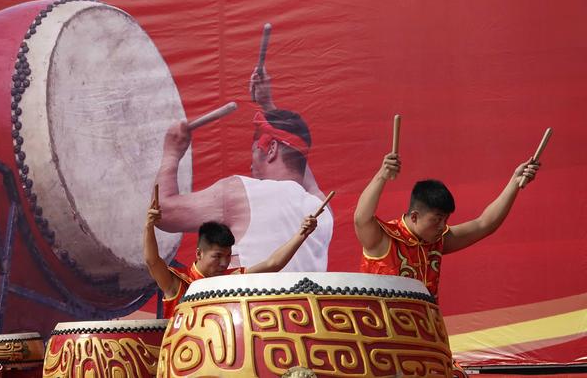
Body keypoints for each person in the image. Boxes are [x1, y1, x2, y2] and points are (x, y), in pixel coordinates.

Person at [154, 67, 333, 271]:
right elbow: (298, 156)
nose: (250, 164)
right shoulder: (322, 208)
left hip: (254, 303)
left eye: (254, 151)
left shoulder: (240, 192)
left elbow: (162, 212)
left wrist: (172, 152)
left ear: (271, 148)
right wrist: (269, 107)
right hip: (306, 303)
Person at [354, 151, 540, 301]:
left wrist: (514, 183)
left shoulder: (437, 241)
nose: (443, 226)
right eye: (437, 220)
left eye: (446, 220)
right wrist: (382, 175)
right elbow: (361, 219)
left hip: (427, 336)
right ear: (415, 216)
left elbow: (484, 224)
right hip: (381, 336)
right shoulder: (383, 239)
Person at [144, 196, 318, 319]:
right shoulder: (178, 282)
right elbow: (152, 262)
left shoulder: (231, 280)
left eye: (228, 256)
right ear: (199, 253)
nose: (224, 263)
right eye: (217, 256)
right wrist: (149, 226)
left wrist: (302, 235)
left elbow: (273, 263)